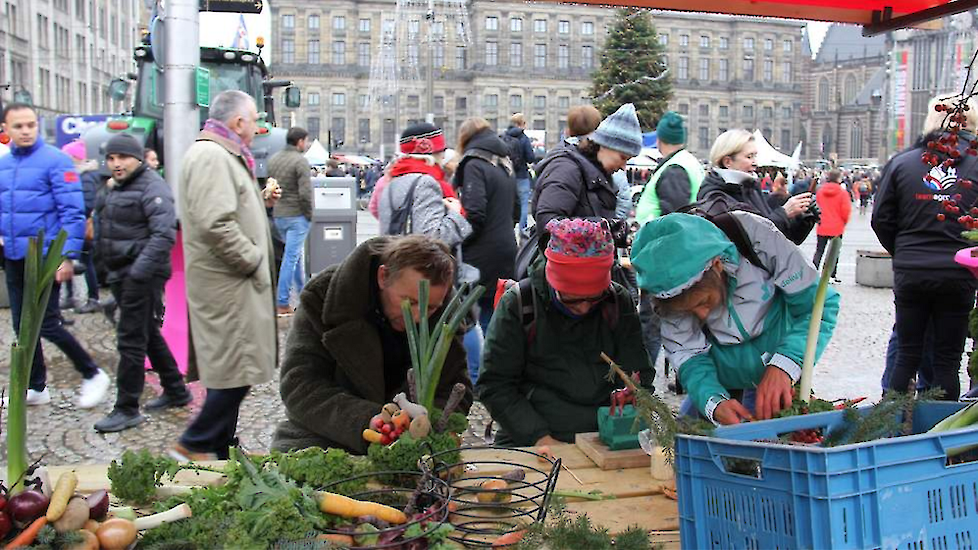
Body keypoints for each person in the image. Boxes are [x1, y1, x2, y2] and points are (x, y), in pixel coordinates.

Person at [630, 212, 839, 424]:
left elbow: (818, 308)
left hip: (782, 369)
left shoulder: (756, 237)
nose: (701, 315)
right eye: (689, 312)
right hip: (722, 382)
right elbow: (688, 354)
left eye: (704, 302)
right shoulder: (667, 288)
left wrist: (785, 365)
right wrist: (713, 402)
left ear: (718, 267)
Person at [272, 235, 472, 454]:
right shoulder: (323, 296)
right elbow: (300, 386)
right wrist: (368, 419)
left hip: (413, 443)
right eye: (410, 302)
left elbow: (456, 387)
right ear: (383, 276)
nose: (417, 316)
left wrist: (425, 423)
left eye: (430, 308)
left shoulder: (447, 311)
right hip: (325, 437)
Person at [173, 90, 281, 460]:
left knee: (237, 368)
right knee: (237, 370)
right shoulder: (212, 156)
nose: (256, 128)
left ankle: (219, 447)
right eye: (254, 120)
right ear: (238, 122)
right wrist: (252, 259)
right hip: (229, 285)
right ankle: (197, 442)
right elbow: (215, 223)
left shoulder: (224, 155)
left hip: (232, 284)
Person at [479, 218, 654, 446]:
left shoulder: (616, 302)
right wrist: (539, 438)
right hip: (531, 435)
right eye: (572, 299)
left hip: (604, 435)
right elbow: (495, 385)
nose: (583, 308)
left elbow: (639, 370)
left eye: (593, 298)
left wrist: (634, 393)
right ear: (553, 283)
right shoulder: (520, 304)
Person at [0, 103, 110, 407]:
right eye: (18, 126)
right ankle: (35, 386)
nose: (25, 131)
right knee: (22, 326)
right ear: (6, 130)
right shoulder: (4, 165)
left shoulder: (57, 161)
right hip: (14, 257)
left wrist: (66, 256)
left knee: (46, 324)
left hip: (46, 258)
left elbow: (72, 213)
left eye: (30, 125)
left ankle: (93, 373)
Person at [872, 96, 978, 400]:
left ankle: (890, 424)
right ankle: (939, 433)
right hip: (959, 272)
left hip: (912, 271)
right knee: (947, 360)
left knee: (906, 354)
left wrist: (903, 251)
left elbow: (881, 218)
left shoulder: (903, 162)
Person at [91, 134, 191, 432]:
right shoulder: (115, 187)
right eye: (111, 158)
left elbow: (163, 235)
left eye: (122, 157)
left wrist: (138, 272)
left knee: (131, 339)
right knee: (147, 333)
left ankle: (127, 407)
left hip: (140, 274)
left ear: (137, 158)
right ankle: (176, 389)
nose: (116, 163)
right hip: (122, 272)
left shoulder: (152, 187)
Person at [533, 103, 642, 234]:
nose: (623, 167)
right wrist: (602, 230)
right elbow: (548, 222)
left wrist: (619, 232)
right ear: (605, 145)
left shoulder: (595, 171)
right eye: (623, 157)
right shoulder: (566, 169)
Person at [454, 117, 519, 334]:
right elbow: (517, 209)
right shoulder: (504, 162)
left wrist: (457, 238)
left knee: (473, 322)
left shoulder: (474, 163)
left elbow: (475, 214)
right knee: (496, 315)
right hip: (507, 246)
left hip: (482, 252)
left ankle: (483, 367)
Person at [698, 129, 815, 245]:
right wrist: (784, 213)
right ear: (728, 162)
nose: (755, 163)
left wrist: (804, 215)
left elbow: (787, 238)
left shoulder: (750, 188)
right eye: (749, 157)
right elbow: (752, 240)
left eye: (755, 156)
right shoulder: (714, 196)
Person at [378, 123, 471, 247]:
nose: (443, 156)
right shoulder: (426, 183)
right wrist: (456, 214)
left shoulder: (393, 181)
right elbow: (432, 239)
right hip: (425, 264)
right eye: (441, 152)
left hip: (399, 260)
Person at [269, 126, 313, 316]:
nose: (307, 144)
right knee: (291, 258)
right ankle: (282, 302)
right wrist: (309, 213)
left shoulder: (274, 159)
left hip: (279, 215)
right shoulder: (300, 161)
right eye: (306, 141)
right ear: (300, 141)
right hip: (297, 215)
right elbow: (305, 193)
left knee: (294, 256)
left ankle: (303, 294)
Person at [634, 111, 704, 224]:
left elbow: (673, 219)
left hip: (659, 237)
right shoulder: (687, 161)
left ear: (659, 140)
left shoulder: (675, 169)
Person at [59, 139, 101, 314]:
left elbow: (88, 203)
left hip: (82, 226)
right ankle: (70, 296)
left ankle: (93, 298)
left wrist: (72, 212)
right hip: (73, 225)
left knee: (86, 261)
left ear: (75, 157)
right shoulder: (74, 175)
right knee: (66, 257)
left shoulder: (85, 177)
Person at [812, 169, 851, 283]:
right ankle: (831, 275)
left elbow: (816, 207)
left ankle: (813, 273)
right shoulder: (843, 193)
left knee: (819, 251)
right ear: (838, 178)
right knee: (834, 252)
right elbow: (846, 210)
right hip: (837, 226)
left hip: (822, 225)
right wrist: (844, 222)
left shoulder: (820, 191)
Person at [503, 113, 538, 229]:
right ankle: (523, 231)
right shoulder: (524, 138)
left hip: (506, 176)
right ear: (521, 124)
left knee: (508, 204)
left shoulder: (504, 136)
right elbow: (530, 158)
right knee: (523, 204)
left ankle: (509, 229)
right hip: (522, 175)